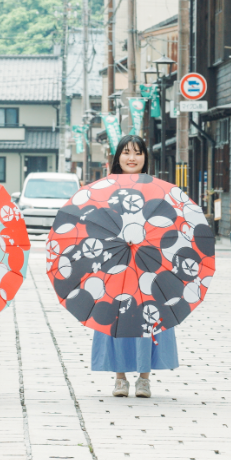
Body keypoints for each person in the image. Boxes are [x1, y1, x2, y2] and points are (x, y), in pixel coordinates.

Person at [91, 135, 179, 398]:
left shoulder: (157, 189)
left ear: (145, 158)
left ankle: (144, 378)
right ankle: (120, 378)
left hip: (148, 262)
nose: (132, 158)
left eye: (138, 153)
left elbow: (168, 225)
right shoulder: (103, 190)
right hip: (116, 262)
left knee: (147, 315)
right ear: (118, 156)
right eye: (127, 152)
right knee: (117, 315)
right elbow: (95, 225)